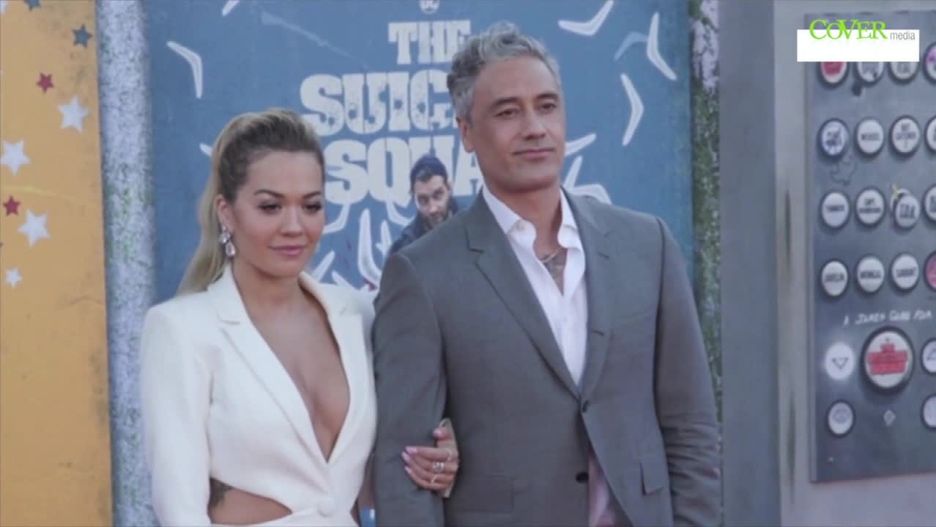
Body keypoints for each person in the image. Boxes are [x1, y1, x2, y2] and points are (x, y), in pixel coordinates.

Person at [372, 23, 720, 527]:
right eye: (508, 112)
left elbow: (691, 427)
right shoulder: (422, 275)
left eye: (547, 106)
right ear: (466, 132)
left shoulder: (647, 245)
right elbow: (406, 467)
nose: (534, 127)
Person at [140, 109, 459, 526]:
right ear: (226, 212)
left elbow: (370, 474)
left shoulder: (360, 314)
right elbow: (179, 511)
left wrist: (439, 456)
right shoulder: (181, 331)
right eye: (270, 206)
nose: (294, 226)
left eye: (311, 206)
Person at [388, 154, 460, 256]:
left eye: (438, 195)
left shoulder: (473, 229)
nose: (432, 209)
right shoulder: (404, 250)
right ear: (414, 199)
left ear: (449, 189)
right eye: (423, 200)